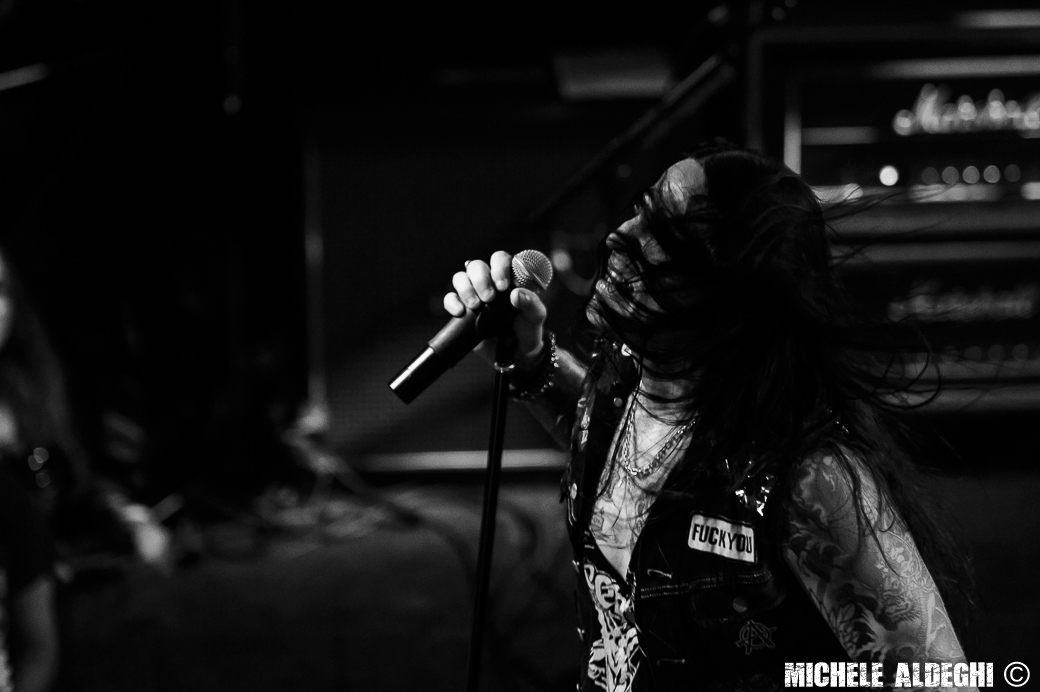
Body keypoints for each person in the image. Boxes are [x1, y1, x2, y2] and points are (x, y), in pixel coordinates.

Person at [443, 140, 974, 691]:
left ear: (729, 286)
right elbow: (604, 447)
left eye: (665, 234)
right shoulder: (620, 382)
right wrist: (529, 361)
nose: (620, 236)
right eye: (640, 210)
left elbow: (937, 678)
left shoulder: (809, 477)